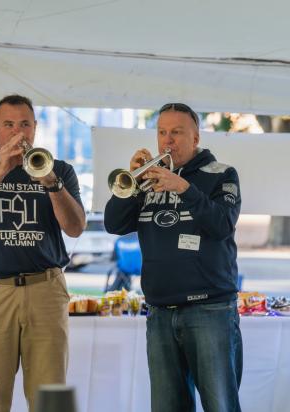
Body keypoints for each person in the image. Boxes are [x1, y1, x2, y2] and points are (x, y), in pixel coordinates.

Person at [0, 94, 86, 412]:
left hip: (46, 289)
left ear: (35, 128)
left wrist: (51, 183)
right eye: (8, 124)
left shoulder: (60, 169)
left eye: (24, 124)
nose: (17, 132)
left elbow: (76, 227)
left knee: (51, 395)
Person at [104, 103, 243, 412]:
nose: (168, 141)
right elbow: (114, 224)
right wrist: (132, 183)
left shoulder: (221, 175)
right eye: (162, 132)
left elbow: (221, 225)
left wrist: (185, 188)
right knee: (167, 406)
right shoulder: (147, 179)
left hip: (209, 308)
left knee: (219, 404)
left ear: (195, 137)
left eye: (177, 133)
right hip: (160, 311)